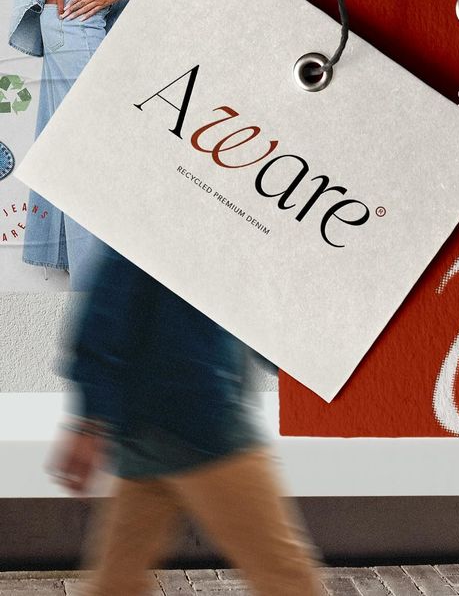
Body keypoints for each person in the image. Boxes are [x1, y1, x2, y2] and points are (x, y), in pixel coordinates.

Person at [49, 242, 322, 596]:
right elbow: (105, 315)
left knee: (117, 583)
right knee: (288, 577)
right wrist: (88, 421)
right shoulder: (164, 222)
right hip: (201, 425)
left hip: (147, 430)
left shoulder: (219, 227)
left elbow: (253, 314)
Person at [0, 0, 157, 288]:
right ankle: (98, 286)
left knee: (68, 142)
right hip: (75, 13)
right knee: (94, 150)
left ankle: (69, 263)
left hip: (104, 14)